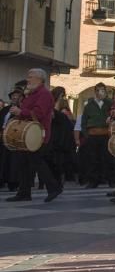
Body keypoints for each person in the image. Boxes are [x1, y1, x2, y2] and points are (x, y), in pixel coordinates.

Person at [6, 69, 62, 202]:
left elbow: (39, 113)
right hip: (28, 133)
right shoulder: (31, 94)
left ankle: (54, 187)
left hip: (38, 133)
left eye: (30, 77)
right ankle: (24, 193)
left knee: (36, 161)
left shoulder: (44, 94)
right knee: (24, 163)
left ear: (39, 79)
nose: (28, 79)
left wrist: (20, 111)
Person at [79, 83, 112, 189]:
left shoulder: (110, 103)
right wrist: (86, 134)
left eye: (102, 90)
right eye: (97, 90)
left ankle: (109, 179)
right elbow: (84, 121)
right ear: (95, 91)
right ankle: (93, 181)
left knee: (107, 158)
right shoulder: (89, 105)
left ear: (105, 92)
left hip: (106, 134)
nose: (99, 92)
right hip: (92, 135)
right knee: (92, 159)